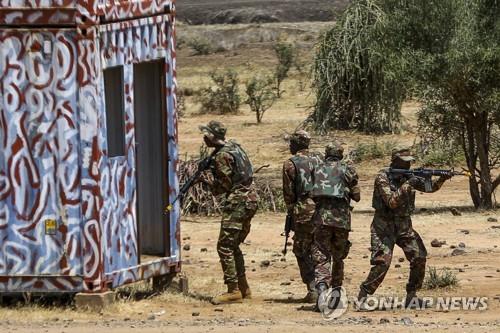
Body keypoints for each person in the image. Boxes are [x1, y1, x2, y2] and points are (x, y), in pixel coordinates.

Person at [357, 148, 452, 309]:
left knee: (419, 256)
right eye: (404, 161)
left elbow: (429, 188)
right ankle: (364, 296)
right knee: (382, 263)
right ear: (395, 161)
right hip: (383, 227)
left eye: (409, 161)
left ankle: (411, 296)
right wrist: (409, 183)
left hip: (404, 226)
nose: (408, 164)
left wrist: (441, 179)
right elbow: (391, 202)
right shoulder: (383, 177)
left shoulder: (409, 176)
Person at [199, 121, 259, 305]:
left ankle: (233, 290)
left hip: (238, 202)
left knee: (224, 246)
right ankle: (243, 288)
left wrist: (207, 181)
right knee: (233, 245)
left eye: (205, 135)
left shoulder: (222, 156)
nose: (203, 138)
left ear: (211, 137)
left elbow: (222, 187)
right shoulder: (235, 147)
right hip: (251, 199)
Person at [310, 142, 361, 304]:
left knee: (321, 257)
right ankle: (336, 296)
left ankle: (322, 292)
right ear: (341, 154)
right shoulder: (347, 169)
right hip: (341, 220)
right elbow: (357, 196)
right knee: (338, 257)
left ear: (326, 153)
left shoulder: (317, 169)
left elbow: (311, 193)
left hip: (321, 218)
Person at [282, 130, 323, 302]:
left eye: (291, 142)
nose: (289, 145)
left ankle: (313, 288)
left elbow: (289, 195)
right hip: (323, 209)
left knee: (301, 249)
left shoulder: (290, 164)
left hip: (303, 211)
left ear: (296, 144)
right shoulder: (319, 160)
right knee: (319, 247)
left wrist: (292, 212)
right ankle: (325, 286)